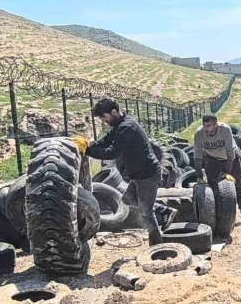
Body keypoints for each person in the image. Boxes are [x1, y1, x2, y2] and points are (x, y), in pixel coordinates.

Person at [72, 97, 175, 246]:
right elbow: (106, 141)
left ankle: (157, 244)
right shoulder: (120, 125)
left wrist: (88, 151)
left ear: (114, 112)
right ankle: (163, 211)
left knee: (146, 213)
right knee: (128, 200)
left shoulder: (127, 127)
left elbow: (112, 152)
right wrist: (90, 144)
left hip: (147, 174)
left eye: (104, 117)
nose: (104, 120)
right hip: (139, 174)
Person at [193, 113, 241, 226]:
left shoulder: (225, 129)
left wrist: (226, 173)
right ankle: (215, 215)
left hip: (230, 158)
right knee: (211, 186)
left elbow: (230, 153)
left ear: (215, 124)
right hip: (212, 158)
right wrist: (199, 175)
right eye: (204, 125)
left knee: (238, 185)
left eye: (209, 125)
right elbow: (197, 156)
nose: (206, 128)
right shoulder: (199, 133)